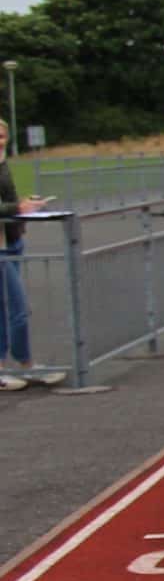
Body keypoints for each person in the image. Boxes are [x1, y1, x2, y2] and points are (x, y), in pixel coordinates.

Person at [0, 126, 52, 393]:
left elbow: (12, 199)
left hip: (12, 239)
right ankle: (25, 362)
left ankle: (19, 364)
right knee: (19, 306)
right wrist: (17, 208)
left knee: (5, 307)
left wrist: (27, 204)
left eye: (3, 135)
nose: (0, 140)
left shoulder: (9, 165)